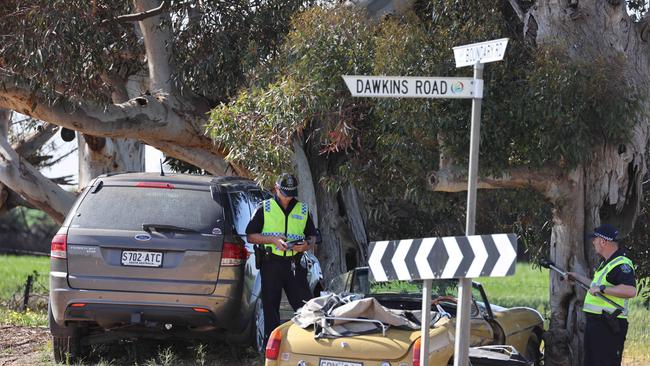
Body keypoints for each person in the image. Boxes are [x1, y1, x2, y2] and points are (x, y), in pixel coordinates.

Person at [246, 173, 317, 348]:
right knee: (271, 308)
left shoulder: (302, 209)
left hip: (295, 264)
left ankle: (310, 346)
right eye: (285, 193)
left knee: (306, 306)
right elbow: (251, 236)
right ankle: (272, 351)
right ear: (276, 188)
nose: (288, 197)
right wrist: (272, 240)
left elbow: (313, 236)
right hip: (271, 264)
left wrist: (306, 245)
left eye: (292, 193)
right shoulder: (265, 208)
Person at [566, 224, 636, 366]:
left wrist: (602, 289)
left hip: (609, 325)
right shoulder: (607, 263)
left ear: (604, 241)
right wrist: (577, 277)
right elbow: (595, 287)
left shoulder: (621, 264)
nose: (593, 242)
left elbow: (630, 291)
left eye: (595, 239)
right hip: (597, 324)